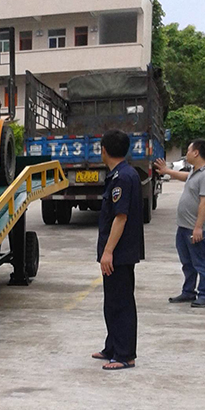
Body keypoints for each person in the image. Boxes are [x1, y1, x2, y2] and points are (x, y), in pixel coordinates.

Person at [92, 129, 144, 370]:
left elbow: (120, 217)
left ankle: (125, 355)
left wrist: (108, 251)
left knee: (121, 302)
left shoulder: (122, 178)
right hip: (119, 252)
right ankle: (112, 347)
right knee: (112, 302)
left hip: (120, 253)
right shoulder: (121, 174)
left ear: (104, 150)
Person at [154, 139, 205, 307]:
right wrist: (166, 171)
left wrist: (198, 227)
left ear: (196, 153)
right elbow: (185, 177)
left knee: (201, 263)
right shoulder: (195, 171)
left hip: (195, 228)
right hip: (184, 227)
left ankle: (204, 294)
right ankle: (188, 292)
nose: (187, 153)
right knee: (187, 263)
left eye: (189, 150)